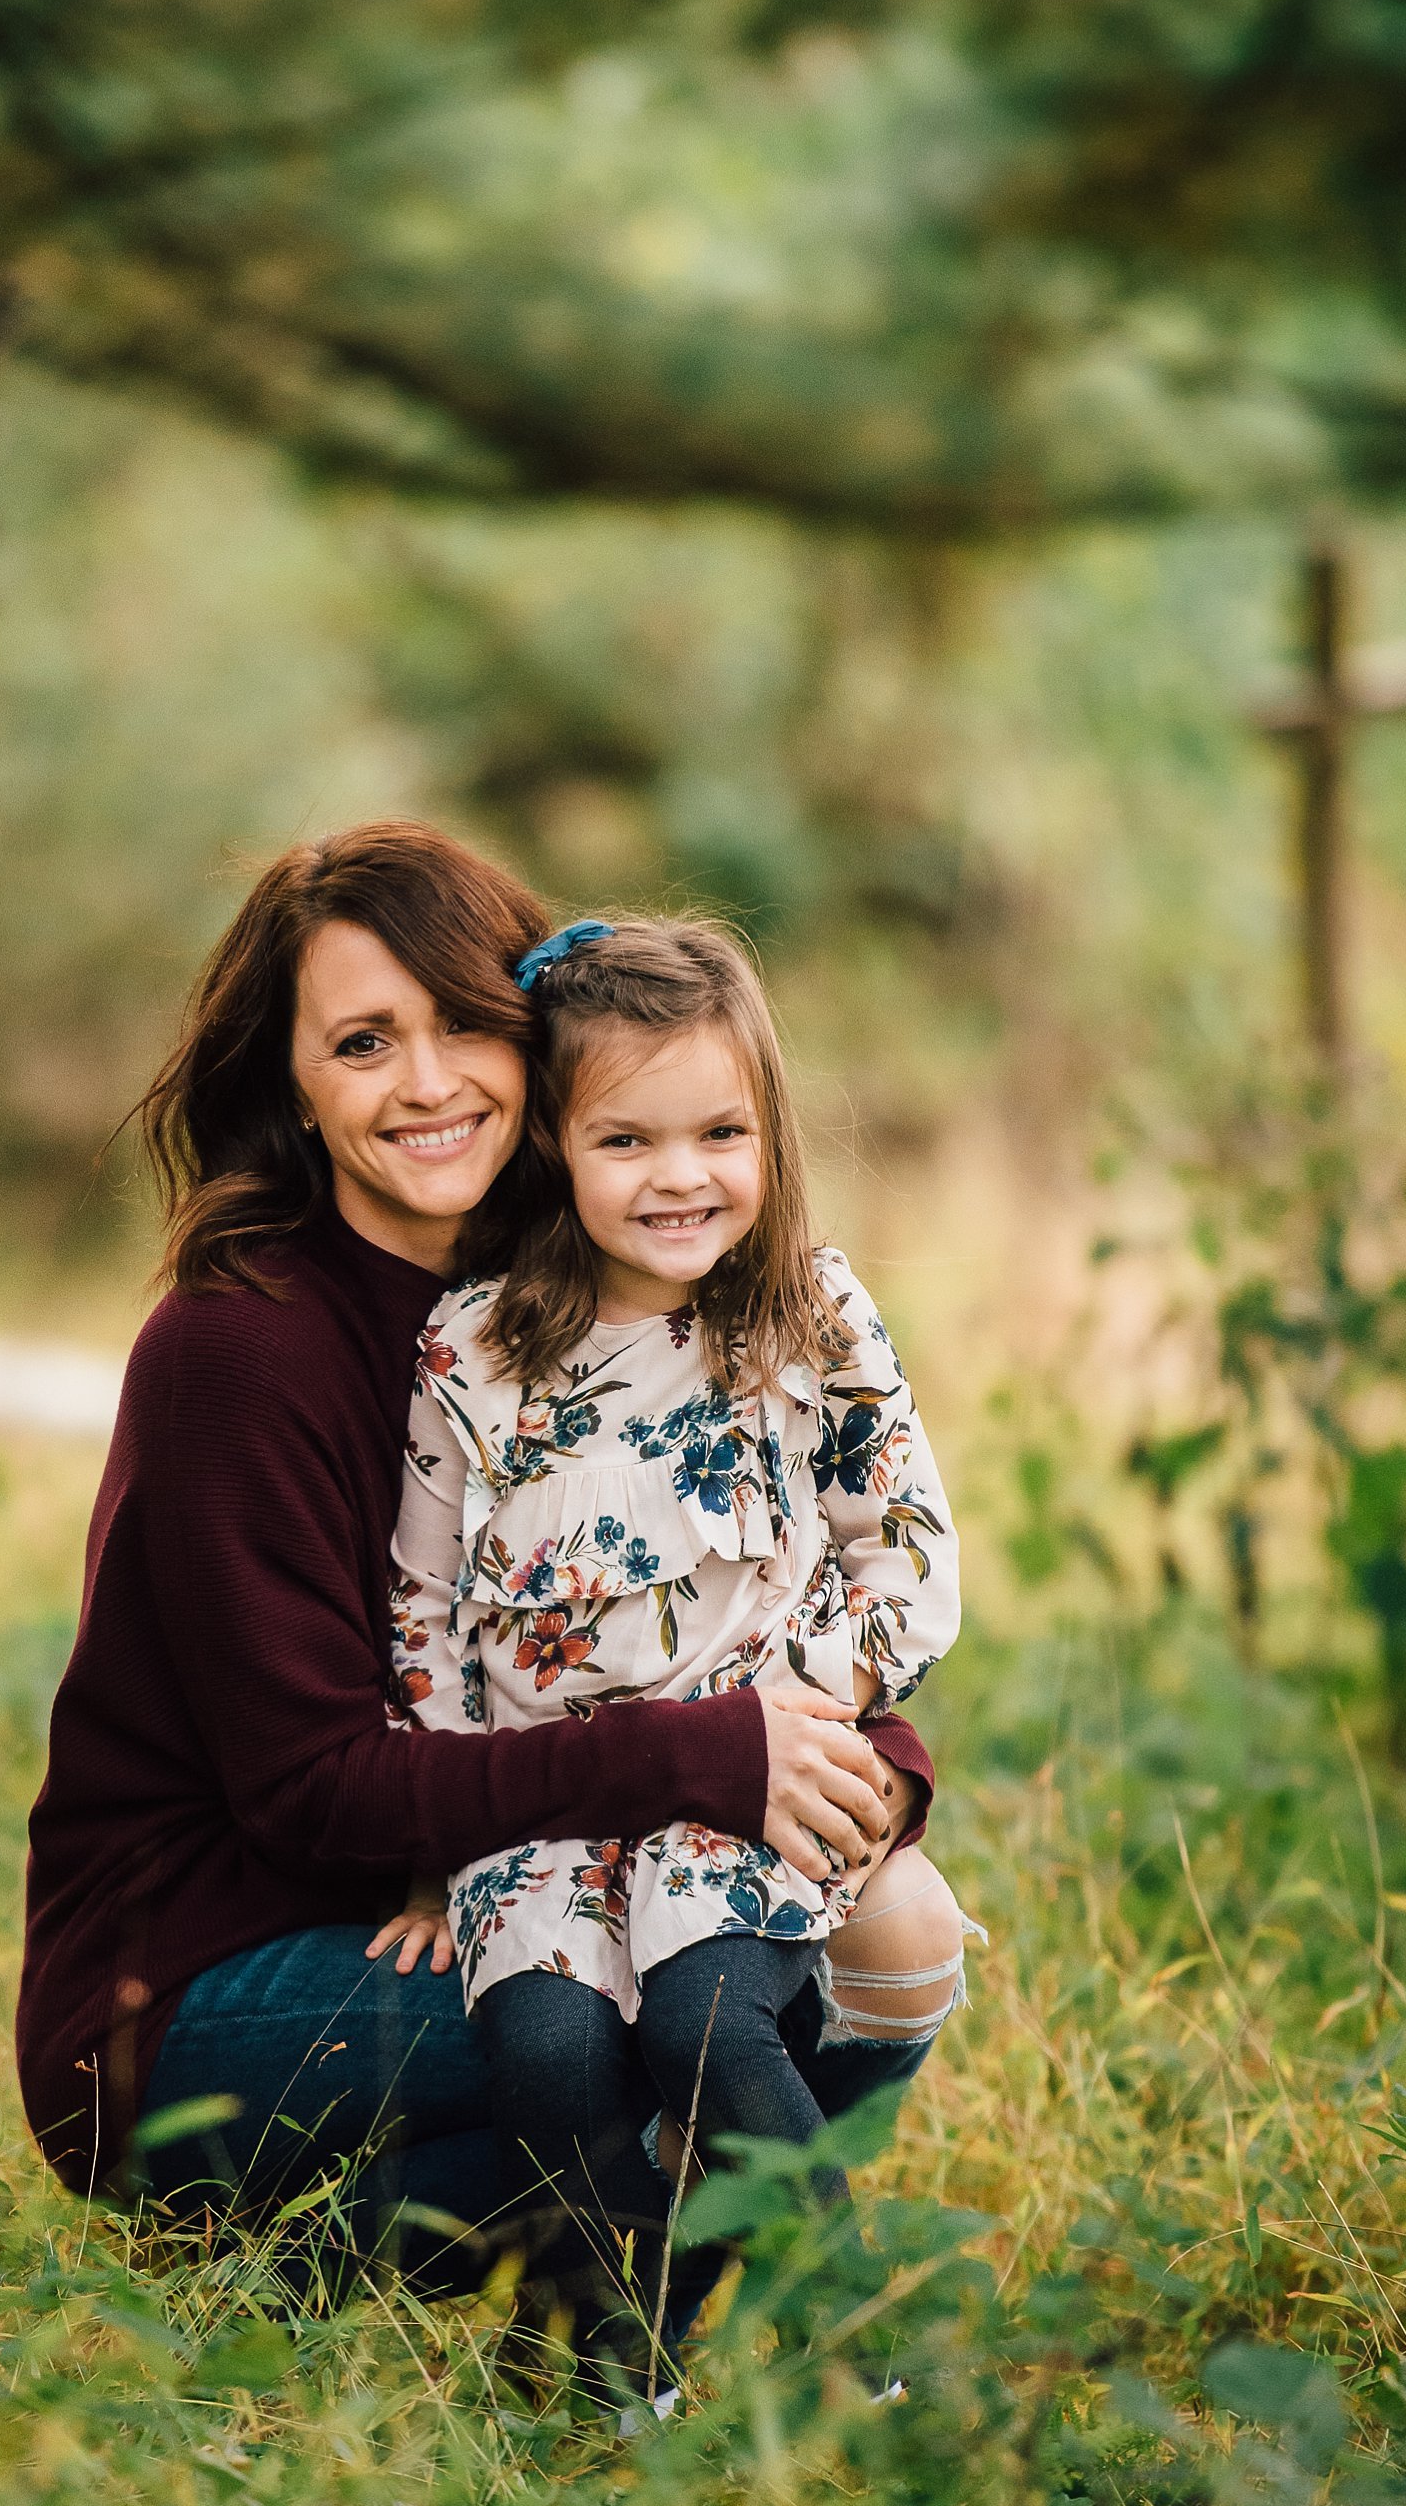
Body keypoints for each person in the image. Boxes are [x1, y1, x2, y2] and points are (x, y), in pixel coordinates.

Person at [15, 826, 930, 2263]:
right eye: (366, 1042)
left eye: (466, 1024)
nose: (431, 1082)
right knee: (636, 2004)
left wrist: (845, 1760)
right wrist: (718, 1757)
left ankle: (540, 2273)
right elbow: (313, 1794)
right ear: (295, 1088)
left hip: (490, 1870)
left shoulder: (582, 1294)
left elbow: (770, 1578)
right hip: (203, 1976)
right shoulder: (236, 1349)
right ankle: (356, 2260)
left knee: (874, 1936)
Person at [380, 915, 969, 2364]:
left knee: (709, 2018)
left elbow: (907, 1552)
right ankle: (612, 2369)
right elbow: (429, 1612)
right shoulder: (475, 1353)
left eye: (720, 1129)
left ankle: (864, 2361)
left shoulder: (808, 1315)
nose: (682, 1175)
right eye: (628, 1140)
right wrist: (429, 1841)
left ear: (767, 1128)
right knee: (553, 2049)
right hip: (550, 1795)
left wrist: (814, 1712)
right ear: (557, 1153)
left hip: (753, 1771)